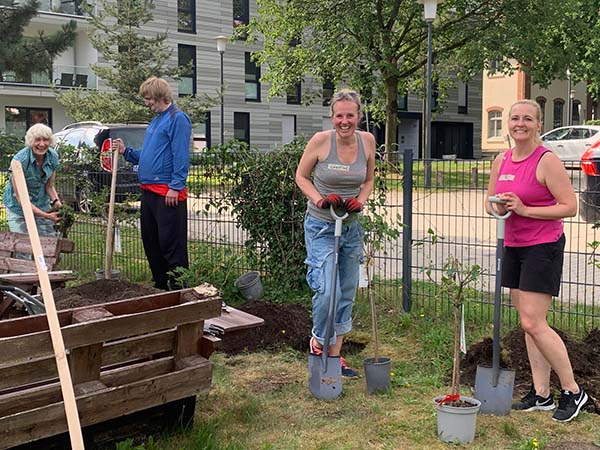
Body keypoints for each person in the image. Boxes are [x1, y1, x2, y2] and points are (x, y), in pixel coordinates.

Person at [486, 99, 588, 422]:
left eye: (527, 119)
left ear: (538, 125)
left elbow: (569, 206)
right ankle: (542, 394)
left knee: (533, 322)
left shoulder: (546, 160)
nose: (520, 124)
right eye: (515, 118)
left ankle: (573, 391)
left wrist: (527, 210)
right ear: (508, 123)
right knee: (528, 324)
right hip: (513, 245)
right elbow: (490, 204)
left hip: (542, 246)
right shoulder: (501, 160)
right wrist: (499, 208)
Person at [295, 88, 376, 378]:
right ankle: (318, 341)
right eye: (339, 115)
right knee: (326, 288)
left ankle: (335, 354)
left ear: (358, 116)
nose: (345, 121)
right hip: (321, 225)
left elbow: (368, 179)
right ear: (332, 117)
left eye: (350, 115)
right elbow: (301, 176)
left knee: (345, 292)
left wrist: (361, 200)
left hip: (351, 225)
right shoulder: (320, 142)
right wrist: (318, 199)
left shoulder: (367, 141)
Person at [113, 77, 192, 290]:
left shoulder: (178, 119)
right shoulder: (156, 121)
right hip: (148, 191)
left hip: (167, 192)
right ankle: (160, 284)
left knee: (170, 244)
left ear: (159, 96)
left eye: (148, 98)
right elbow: (150, 155)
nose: (146, 103)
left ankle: (179, 287)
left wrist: (175, 186)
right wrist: (127, 152)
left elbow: (181, 155)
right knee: (151, 242)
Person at [3, 123, 62, 238]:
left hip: (42, 205)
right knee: (24, 247)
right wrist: (46, 216)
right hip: (18, 209)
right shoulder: (19, 161)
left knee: (49, 244)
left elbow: (49, 186)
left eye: (45, 140)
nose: (42, 144)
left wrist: (57, 203)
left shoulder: (52, 156)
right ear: (30, 141)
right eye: (37, 140)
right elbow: (21, 198)